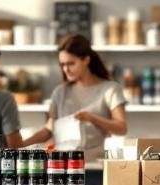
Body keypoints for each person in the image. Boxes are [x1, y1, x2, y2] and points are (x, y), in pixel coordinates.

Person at [23, 34, 127, 162]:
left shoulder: (110, 89)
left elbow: (121, 128)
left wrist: (92, 118)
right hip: (63, 166)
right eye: (62, 65)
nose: (66, 69)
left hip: (95, 165)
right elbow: (48, 130)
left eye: (71, 63)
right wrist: (18, 146)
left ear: (86, 60)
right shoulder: (60, 92)